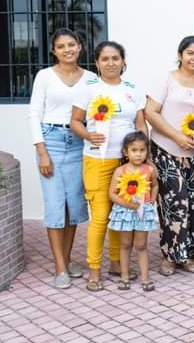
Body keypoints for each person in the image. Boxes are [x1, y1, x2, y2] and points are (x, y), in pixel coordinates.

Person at [70, 41, 147, 292]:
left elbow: (140, 124)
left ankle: (116, 263)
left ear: (123, 61)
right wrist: (88, 135)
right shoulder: (88, 88)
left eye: (116, 58)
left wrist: (145, 157)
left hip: (126, 163)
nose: (111, 63)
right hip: (97, 161)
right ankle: (94, 270)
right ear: (97, 63)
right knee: (101, 216)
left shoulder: (132, 89)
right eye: (105, 59)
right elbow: (75, 121)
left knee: (120, 214)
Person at [28, 29, 95, 289]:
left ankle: (66, 259)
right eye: (61, 46)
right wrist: (42, 151)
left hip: (79, 143)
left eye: (71, 44)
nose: (67, 49)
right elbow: (34, 113)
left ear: (79, 47)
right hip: (51, 141)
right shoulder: (45, 76)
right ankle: (59, 268)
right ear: (54, 51)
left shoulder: (90, 78)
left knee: (73, 207)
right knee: (56, 206)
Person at [144, 36, 194, 276]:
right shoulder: (167, 79)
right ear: (180, 55)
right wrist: (176, 136)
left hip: (193, 153)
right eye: (190, 53)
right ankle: (171, 256)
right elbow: (150, 112)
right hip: (166, 149)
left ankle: (191, 253)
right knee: (174, 202)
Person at [107, 131, 159, 291]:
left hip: (142, 212)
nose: (138, 154)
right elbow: (112, 194)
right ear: (125, 152)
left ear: (147, 151)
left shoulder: (149, 170)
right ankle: (124, 276)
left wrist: (152, 199)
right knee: (125, 244)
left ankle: (145, 278)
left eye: (142, 150)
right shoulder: (120, 171)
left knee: (141, 245)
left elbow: (155, 185)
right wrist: (127, 204)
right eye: (134, 150)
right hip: (125, 212)